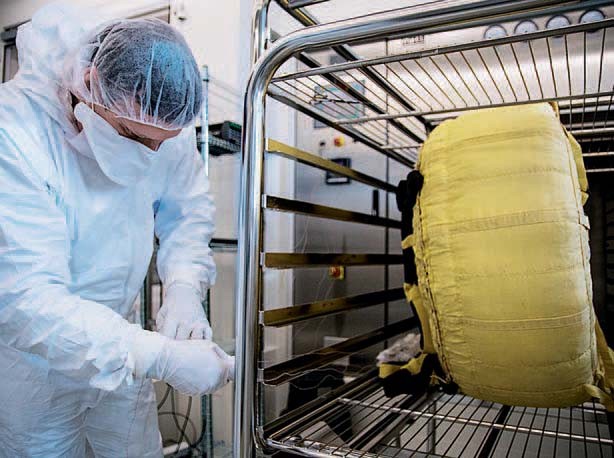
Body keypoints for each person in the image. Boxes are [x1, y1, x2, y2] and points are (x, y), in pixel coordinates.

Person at [0, 3, 234, 457]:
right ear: (89, 84)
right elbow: (26, 298)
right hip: (36, 368)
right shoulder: (15, 134)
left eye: (161, 143)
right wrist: (160, 356)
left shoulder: (157, 115)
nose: (151, 154)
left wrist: (184, 287)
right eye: (133, 136)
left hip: (123, 352)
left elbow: (187, 211)